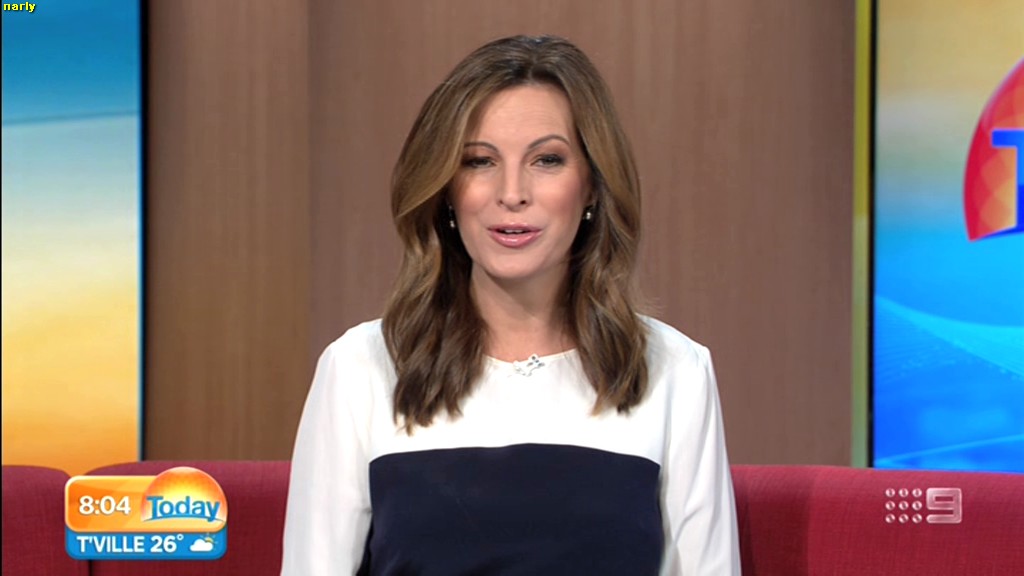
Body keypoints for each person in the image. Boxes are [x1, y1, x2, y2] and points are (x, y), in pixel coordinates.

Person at [281, 34, 740, 575]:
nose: (512, 192)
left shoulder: (674, 370)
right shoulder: (359, 368)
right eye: (480, 161)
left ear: (592, 187)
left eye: (547, 160)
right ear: (447, 190)